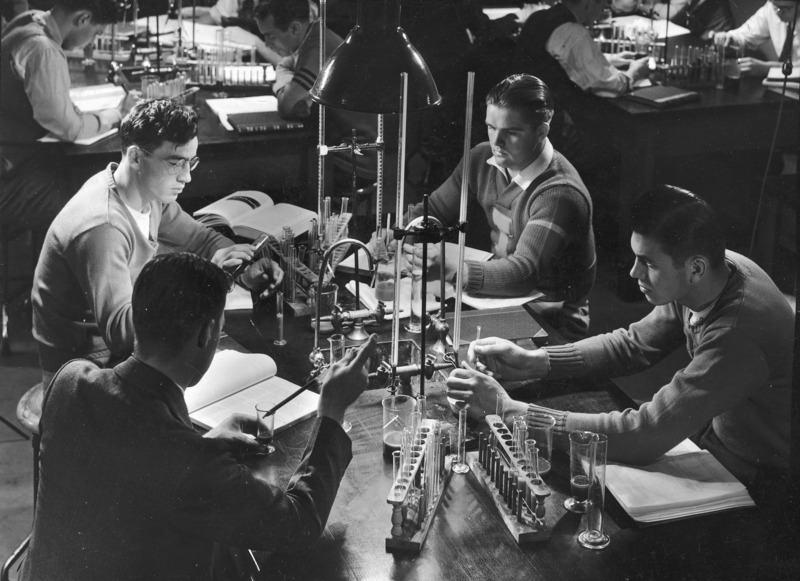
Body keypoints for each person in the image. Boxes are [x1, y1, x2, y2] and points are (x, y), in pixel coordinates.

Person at [22, 251, 378, 580]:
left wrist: (202, 445)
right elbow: (298, 524)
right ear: (208, 333)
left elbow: (125, 470)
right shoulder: (187, 463)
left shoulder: (69, 380)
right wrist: (331, 410)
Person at [447, 185, 793, 491]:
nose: (633, 273)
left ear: (695, 268)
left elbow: (644, 434)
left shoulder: (737, 334)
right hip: (721, 440)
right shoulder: (710, 272)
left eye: (648, 263)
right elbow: (634, 344)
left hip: (765, 478)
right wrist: (535, 361)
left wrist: (508, 410)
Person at [31, 99, 283, 386]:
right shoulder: (104, 227)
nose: (187, 176)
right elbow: (122, 335)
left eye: (191, 162)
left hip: (115, 351)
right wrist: (205, 281)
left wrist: (240, 267)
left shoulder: (146, 194)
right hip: (84, 369)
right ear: (137, 158)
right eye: (176, 163)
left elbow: (201, 238)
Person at [403, 74, 597, 341]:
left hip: (552, 321)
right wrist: (399, 237)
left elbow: (524, 272)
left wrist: (451, 267)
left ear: (542, 131)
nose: (497, 142)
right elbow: (432, 209)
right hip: (500, 301)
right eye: (491, 128)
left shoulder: (559, 193)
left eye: (512, 132)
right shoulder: (482, 158)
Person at [0, 0, 138, 229]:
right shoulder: (43, 49)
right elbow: (69, 128)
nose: (93, 41)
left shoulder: (28, 20)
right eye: (97, 32)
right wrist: (115, 114)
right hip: (11, 175)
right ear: (83, 18)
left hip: (10, 155)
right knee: (94, 207)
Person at [513, 0, 651, 171]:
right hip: (562, 125)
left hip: (529, 114)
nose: (604, 9)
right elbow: (608, 84)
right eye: (603, 3)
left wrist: (610, 59)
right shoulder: (572, 31)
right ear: (588, 3)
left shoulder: (540, 17)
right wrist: (634, 74)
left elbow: (562, 59)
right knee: (624, 140)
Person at [713, 0, 799, 78]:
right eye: (775, 7)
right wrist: (729, 38)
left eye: (786, 8)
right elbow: (746, 32)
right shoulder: (771, 8)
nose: (778, 12)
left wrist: (767, 68)